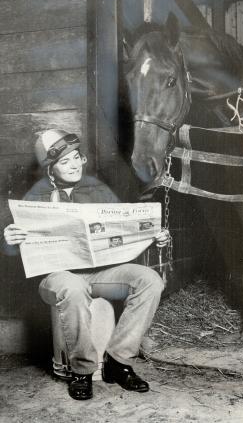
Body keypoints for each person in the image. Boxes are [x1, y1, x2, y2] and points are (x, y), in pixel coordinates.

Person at [3, 129, 169, 400]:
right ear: (50, 168)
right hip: (57, 276)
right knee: (72, 286)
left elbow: (124, 230)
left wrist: (154, 236)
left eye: (77, 158)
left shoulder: (97, 188)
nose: (74, 165)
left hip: (101, 271)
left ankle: (119, 361)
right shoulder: (35, 197)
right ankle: (81, 369)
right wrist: (9, 239)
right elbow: (12, 250)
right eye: (64, 162)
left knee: (149, 280)